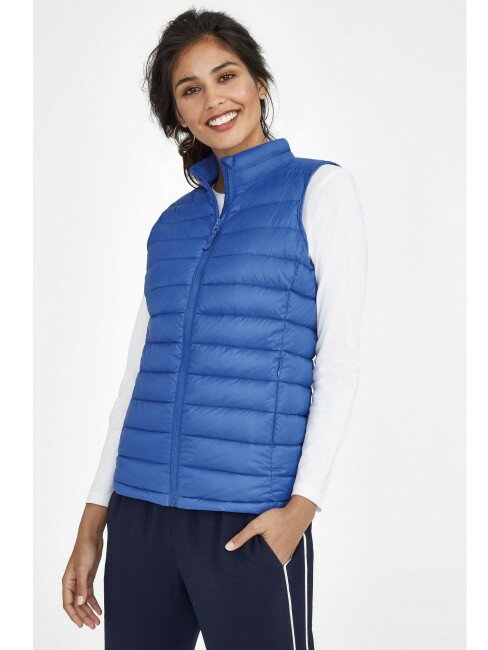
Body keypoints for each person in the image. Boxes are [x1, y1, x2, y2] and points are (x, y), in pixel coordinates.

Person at [61, 8, 368, 650]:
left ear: (259, 82)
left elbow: (337, 362)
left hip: (248, 517)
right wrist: (94, 522)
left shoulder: (320, 190)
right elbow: (136, 379)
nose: (214, 100)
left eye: (226, 76)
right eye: (190, 89)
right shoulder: (171, 226)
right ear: (177, 113)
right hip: (141, 515)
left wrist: (301, 509)